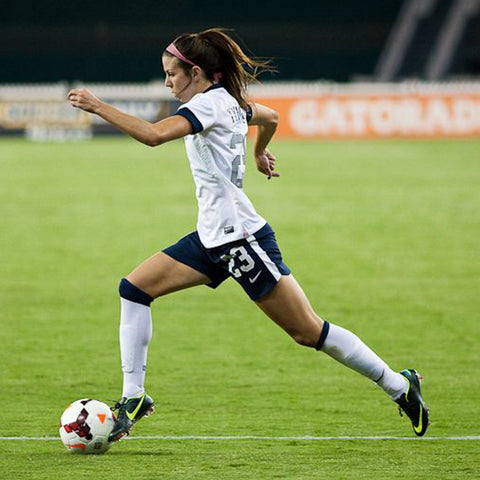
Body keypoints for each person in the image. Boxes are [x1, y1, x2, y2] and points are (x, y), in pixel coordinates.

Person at [68, 28, 429, 441]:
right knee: (134, 289)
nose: (168, 82)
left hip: (240, 240)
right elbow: (271, 117)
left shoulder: (208, 106)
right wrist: (258, 152)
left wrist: (97, 106)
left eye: (172, 74)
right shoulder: (230, 103)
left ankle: (399, 385)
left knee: (307, 331)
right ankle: (134, 396)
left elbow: (153, 136)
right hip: (211, 238)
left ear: (197, 73)